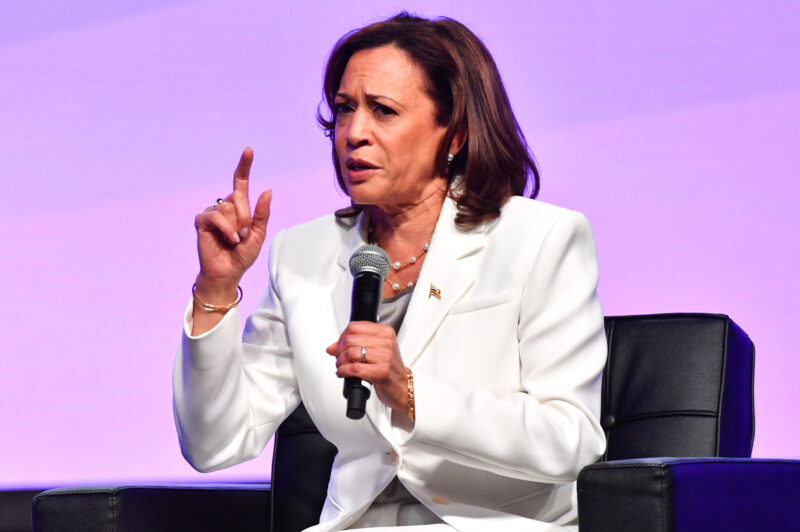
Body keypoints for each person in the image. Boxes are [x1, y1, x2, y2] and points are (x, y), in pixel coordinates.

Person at [174, 12, 606, 532]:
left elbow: (571, 441)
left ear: (456, 133)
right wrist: (216, 288)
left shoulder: (540, 239)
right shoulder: (302, 253)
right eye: (343, 109)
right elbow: (215, 442)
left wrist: (410, 392)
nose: (354, 133)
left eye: (383, 111)